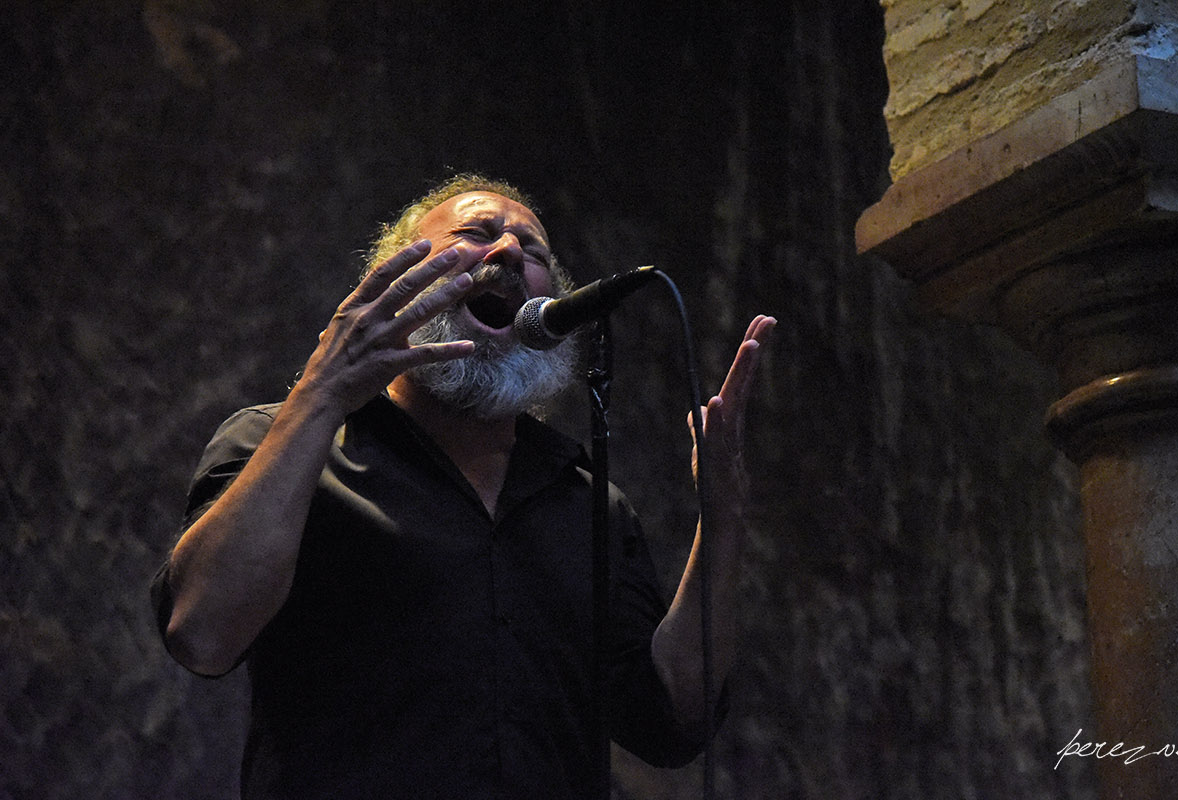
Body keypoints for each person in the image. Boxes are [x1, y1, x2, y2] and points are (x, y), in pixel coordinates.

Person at [151, 173, 776, 799]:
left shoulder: (589, 505)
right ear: (397, 280)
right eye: (476, 234)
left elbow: (670, 717)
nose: (507, 253)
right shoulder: (287, 445)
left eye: (533, 253)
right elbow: (203, 632)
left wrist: (722, 524)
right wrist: (320, 394)